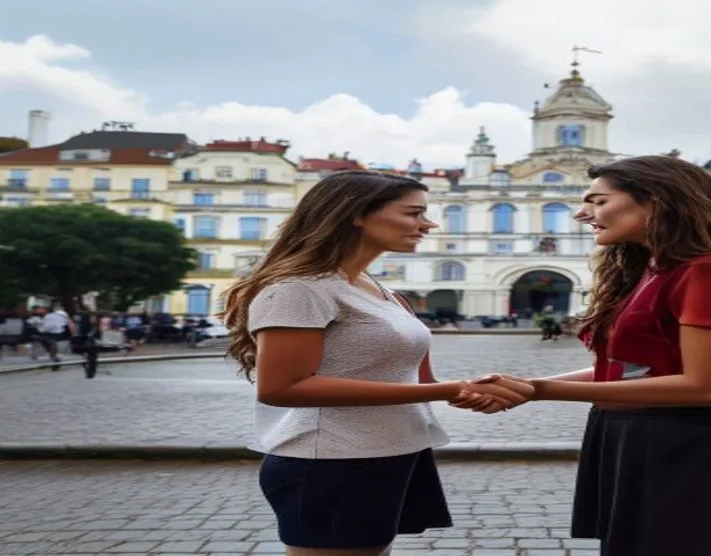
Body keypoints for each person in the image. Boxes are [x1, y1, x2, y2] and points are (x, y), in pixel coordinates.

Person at [456, 156, 711, 556]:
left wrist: (542, 388)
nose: (582, 213)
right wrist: (529, 387)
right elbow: (628, 370)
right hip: (636, 437)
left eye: (598, 201)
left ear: (655, 200)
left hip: (688, 446)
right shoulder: (653, 269)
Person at [221, 170, 533, 556]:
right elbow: (282, 388)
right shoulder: (299, 289)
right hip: (331, 461)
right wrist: (448, 390)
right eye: (413, 213)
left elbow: (413, 379)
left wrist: (469, 389)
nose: (428, 223)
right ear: (356, 213)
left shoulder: (379, 289)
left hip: (391, 450)